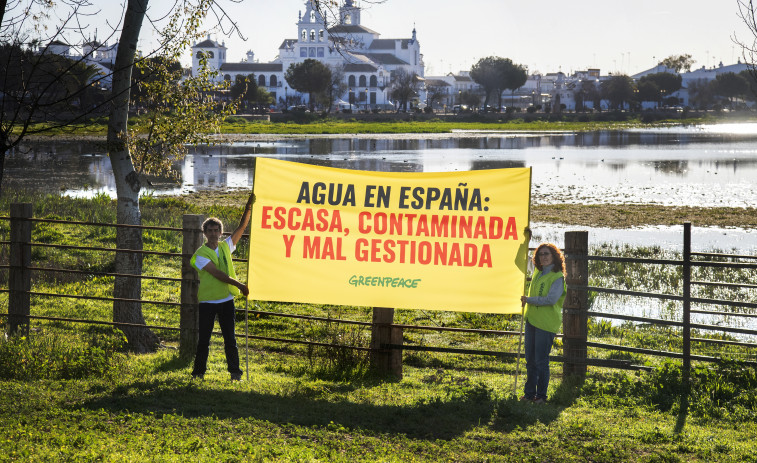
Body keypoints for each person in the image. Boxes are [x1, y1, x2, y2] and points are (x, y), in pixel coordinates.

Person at [191, 194, 254, 381]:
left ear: (220, 232)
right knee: (204, 341)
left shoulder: (227, 246)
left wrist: (249, 206)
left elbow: (242, 227)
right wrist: (240, 285)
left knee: (230, 340)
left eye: (216, 230)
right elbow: (217, 274)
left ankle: (235, 374)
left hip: (226, 300)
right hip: (208, 302)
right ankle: (198, 374)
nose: (212, 233)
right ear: (205, 233)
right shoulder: (200, 254)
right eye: (209, 230)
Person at [519, 243, 566, 404]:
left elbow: (551, 299)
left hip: (546, 324)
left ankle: (541, 396)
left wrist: (529, 300)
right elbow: (520, 260)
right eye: (540, 254)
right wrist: (525, 240)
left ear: (554, 256)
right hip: (532, 320)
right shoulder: (538, 272)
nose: (543, 257)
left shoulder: (557, 277)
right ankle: (530, 393)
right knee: (530, 360)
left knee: (540, 360)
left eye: (546, 254)